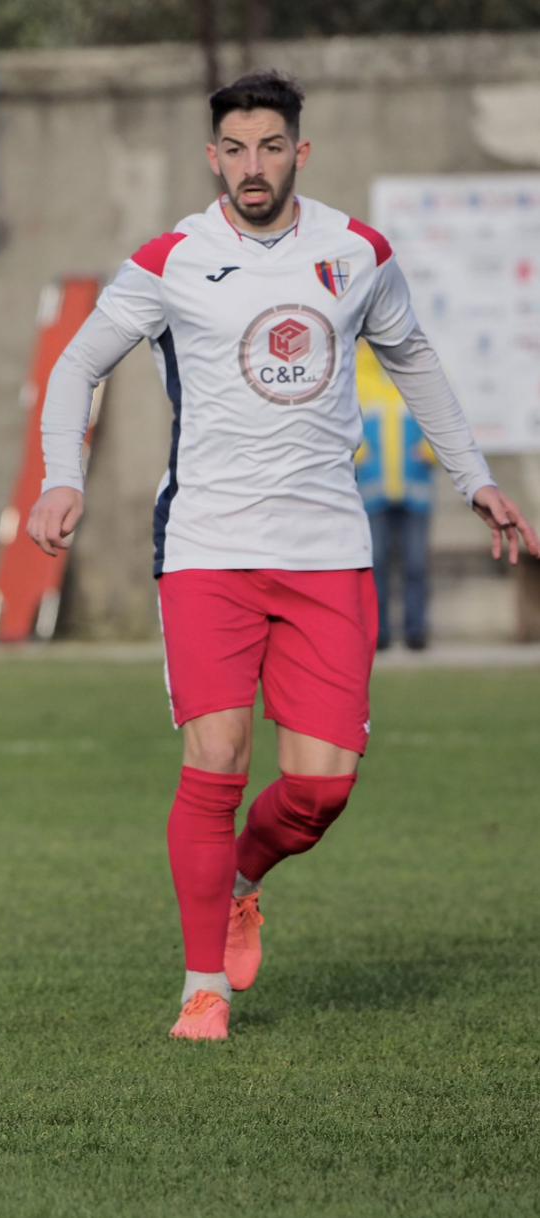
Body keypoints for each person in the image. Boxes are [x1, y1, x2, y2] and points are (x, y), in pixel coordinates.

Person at [26, 70, 536, 1041]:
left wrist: (475, 479)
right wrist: (63, 477)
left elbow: (414, 360)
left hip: (326, 550)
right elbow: (77, 362)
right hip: (208, 546)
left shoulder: (356, 252)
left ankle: (243, 879)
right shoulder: (173, 256)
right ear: (210, 154)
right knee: (214, 760)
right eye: (233, 149)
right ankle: (200, 987)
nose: (250, 167)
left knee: (319, 788)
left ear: (299, 151)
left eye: (269, 148)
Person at [354, 341, 436, 650]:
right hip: (372, 489)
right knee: (375, 563)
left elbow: (444, 415)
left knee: (416, 563)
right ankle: (381, 634)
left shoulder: (417, 367)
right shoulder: (355, 374)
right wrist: (360, 455)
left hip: (415, 486)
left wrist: (429, 452)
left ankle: (416, 633)